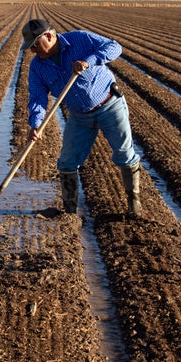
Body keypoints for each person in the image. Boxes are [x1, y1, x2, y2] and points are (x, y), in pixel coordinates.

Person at [21, 18, 142, 216]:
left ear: (49, 36)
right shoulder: (37, 67)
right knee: (67, 162)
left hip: (109, 105)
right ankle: (70, 213)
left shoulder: (80, 39)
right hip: (79, 116)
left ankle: (133, 203)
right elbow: (37, 98)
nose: (33, 51)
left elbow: (115, 47)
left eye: (34, 46)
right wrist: (35, 124)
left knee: (124, 154)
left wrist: (89, 61)